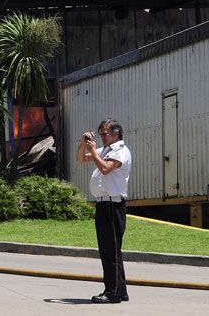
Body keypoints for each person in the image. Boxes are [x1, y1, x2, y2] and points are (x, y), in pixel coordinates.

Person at [76, 118, 132, 304]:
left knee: (110, 251)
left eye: (105, 133)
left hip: (113, 205)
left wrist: (92, 150)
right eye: (100, 133)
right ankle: (120, 290)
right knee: (110, 250)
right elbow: (81, 159)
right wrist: (83, 143)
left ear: (116, 134)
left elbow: (106, 169)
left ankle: (112, 292)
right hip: (103, 204)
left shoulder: (121, 151)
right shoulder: (106, 150)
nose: (101, 136)